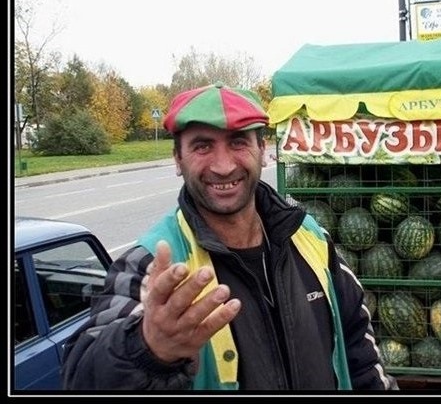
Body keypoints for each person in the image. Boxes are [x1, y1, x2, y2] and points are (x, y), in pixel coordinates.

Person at [61, 82, 398, 392]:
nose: (223, 166)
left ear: (263, 149)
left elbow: (358, 349)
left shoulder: (311, 238)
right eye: (202, 146)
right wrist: (146, 348)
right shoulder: (151, 264)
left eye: (238, 141)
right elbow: (81, 374)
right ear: (177, 158)